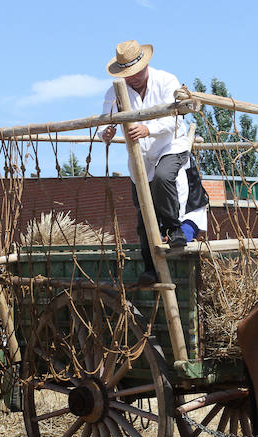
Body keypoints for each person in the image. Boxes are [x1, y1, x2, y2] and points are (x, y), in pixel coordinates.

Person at [101, 39, 208, 285]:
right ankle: (150, 269)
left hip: (171, 146)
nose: (133, 78)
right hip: (140, 157)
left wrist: (148, 129)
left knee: (163, 177)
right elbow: (105, 121)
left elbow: (175, 119)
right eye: (128, 74)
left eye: (136, 72)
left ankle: (174, 229)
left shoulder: (166, 81)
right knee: (143, 210)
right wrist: (107, 133)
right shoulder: (115, 91)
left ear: (145, 65)